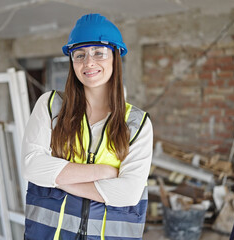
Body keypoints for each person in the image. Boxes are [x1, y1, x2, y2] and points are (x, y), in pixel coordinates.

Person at [22, 13, 153, 240]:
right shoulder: (50, 105)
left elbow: (129, 193)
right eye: (79, 54)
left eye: (99, 53)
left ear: (115, 57)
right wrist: (101, 172)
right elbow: (32, 167)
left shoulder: (138, 123)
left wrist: (59, 179)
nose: (88, 62)